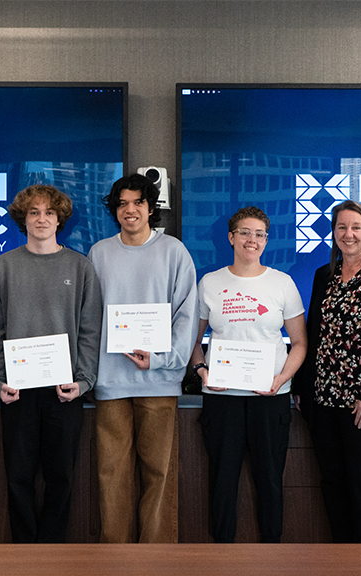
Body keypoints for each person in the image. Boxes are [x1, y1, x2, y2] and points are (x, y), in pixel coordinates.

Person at [0, 184, 102, 543]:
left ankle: (52, 553)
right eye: (34, 212)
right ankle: (23, 555)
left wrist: (83, 381)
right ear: (23, 218)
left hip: (65, 391)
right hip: (17, 393)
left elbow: (91, 331)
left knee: (61, 478)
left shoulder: (80, 267)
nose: (42, 219)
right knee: (17, 478)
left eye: (49, 212)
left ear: (60, 218)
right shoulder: (3, 267)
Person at [87, 174, 199, 543]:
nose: (130, 210)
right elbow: (89, 317)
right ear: (114, 210)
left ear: (151, 208)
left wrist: (162, 359)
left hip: (158, 380)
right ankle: (115, 558)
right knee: (111, 473)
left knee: (159, 474)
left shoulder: (174, 252)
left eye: (137, 202)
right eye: (122, 204)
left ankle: (156, 559)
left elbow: (187, 315)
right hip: (111, 380)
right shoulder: (99, 253)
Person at [189, 206, 307, 543]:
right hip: (222, 400)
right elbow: (193, 342)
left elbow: (299, 343)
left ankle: (272, 556)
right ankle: (220, 558)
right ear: (231, 237)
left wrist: (280, 379)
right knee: (221, 482)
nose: (251, 240)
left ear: (266, 241)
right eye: (244, 232)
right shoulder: (209, 283)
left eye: (259, 234)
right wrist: (202, 372)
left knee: (269, 481)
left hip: (269, 400)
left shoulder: (282, 283)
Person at [292, 200, 361, 543]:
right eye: (341, 227)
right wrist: (302, 385)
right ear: (334, 233)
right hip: (323, 400)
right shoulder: (322, 276)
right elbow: (312, 333)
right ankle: (341, 558)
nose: (348, 234)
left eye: (356, 227)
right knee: (332, 482)